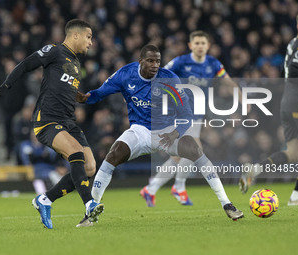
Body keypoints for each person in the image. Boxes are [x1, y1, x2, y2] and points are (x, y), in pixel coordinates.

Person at [76, 44, 243, 226]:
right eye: (150, 61)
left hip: (167, 131)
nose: (155, 65)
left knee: (195, 150)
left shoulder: (169, 78)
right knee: (113, 154)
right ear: (140, 61)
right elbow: (99, 94)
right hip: (140, 130)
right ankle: (90, 212)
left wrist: (175, 133)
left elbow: (186, 114)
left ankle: (227, 204)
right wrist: (85, 98)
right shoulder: (125, 74)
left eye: (157, 61)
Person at [0, 19, 104, 229]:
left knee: (90, 167)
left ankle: (45, 200)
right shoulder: (55, 51)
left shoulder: (75, 63)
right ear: (75, 35)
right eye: (89, 36)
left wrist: (85, 97)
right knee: (76, 152)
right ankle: (89, 204)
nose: (91, 42)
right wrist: (5, 86)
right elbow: (26, 63)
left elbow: (67, 91)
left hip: (69, 121)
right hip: (47, 120)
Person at [141, 31, 242, 206]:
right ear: (190, 45)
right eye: (197, 43)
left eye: (203, 43)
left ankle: (152, 189)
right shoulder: (181, 62)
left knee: (180, 156)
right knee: (195, 149)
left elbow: (227, 80)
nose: (200, 46)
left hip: (197, 114)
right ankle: (178, 187)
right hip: (178, 112)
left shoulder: (213, 63)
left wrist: (240, 95)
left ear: (208, 45)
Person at [239, 13, 298, 206]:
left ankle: (256, 171)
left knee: (292, 153)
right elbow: (295, 70)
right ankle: (297, 196)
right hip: (297, 101)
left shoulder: (292, 45)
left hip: (288, 101)